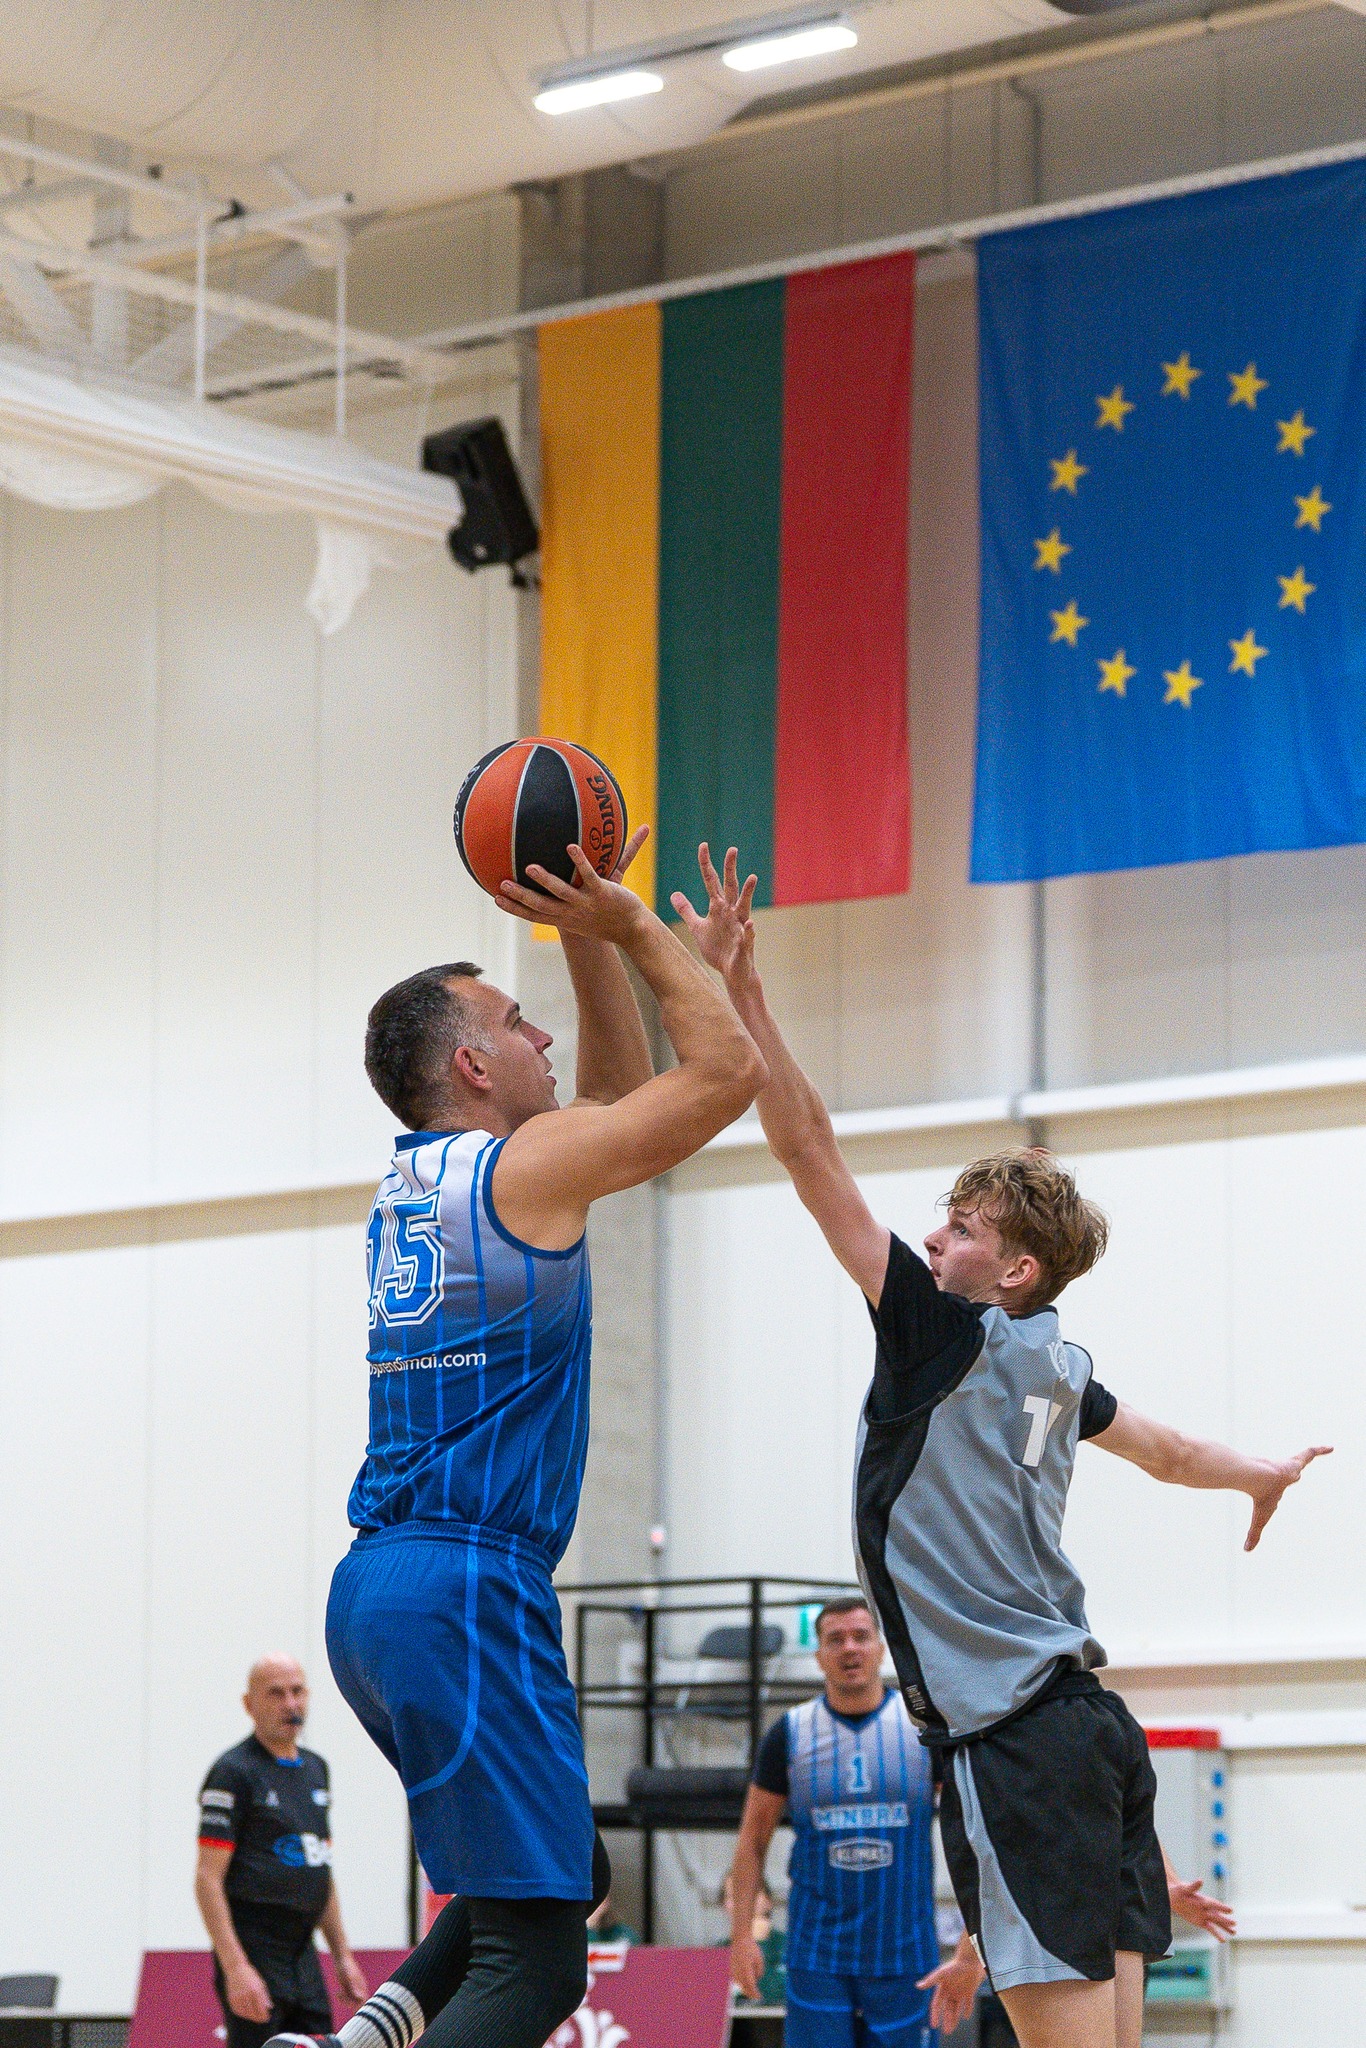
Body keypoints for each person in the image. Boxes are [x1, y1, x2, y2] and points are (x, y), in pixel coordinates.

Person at [673, 845, 1329, 2048]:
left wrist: (743, 989)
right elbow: (1170, 1449)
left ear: (1014, 1268)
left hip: (1013, 1736)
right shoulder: (1060, 1364)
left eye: (961, 1226)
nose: (931, 1238)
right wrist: (1258, 1472)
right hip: (1092, 1729)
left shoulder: (941, 1332)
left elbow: (808, 1148)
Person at [267, 828, 765, 2048]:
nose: (543, 1035)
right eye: (517, 1020)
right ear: (473, 1061)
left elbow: (610, 1099)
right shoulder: (520, 1171)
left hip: (381, 1592)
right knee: (537, 1966)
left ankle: (365, 2035)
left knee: (559, 1867)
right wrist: (632, 922)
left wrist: (577, 927)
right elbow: (724, 1073)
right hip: (465, 1586)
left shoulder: (430, 1179)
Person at [730, 1596, 947, 2048]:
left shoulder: (923, 1729)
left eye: (861, 1637)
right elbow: (752, 1840)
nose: (850, 1648)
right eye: (836, 1639)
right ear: (819, 1656)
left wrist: (973, 1938)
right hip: (817, 1955)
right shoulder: (790, 1732)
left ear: (881, 1648)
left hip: (905, 1952)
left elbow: (973, 1832)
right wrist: (742, 1936)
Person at [196, 1656, 368, 2048]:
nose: (290, 1704)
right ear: (249, 1704)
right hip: (255, 1948)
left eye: (297, 1691)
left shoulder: (316, 1769)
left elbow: (319, 1866)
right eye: (276, 1693)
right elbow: (207, 1879)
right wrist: (236, 1967)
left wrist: (342, 1955)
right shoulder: (233, 1772)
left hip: (303, 1951)